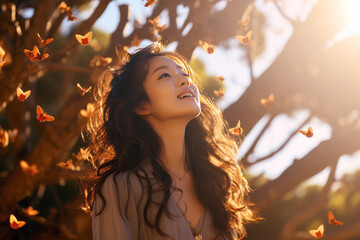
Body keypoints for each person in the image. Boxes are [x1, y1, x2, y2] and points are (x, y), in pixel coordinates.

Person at [82, 42, 257, 240]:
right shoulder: (120, 187)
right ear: (142, 105)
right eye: (164, 75)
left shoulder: (215, 182)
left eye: (184, 74)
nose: (184, 81)